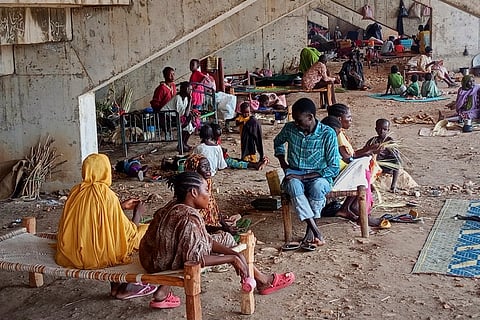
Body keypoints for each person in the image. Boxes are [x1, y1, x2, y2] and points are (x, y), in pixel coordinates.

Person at [139, 172, 295, 309]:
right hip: (160, 264)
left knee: (224, 241)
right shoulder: (189, 218)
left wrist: (235, 255)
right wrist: (232, 257)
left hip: (150, 258)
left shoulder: (173, 206)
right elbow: (193, 260)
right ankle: (263, 281)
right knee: (226, 239)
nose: (209, 194)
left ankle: (162, 292)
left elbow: (202, 239)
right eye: (206, 190)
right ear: (193, 192)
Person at [55, 153, 156, 300]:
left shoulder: (75, 192)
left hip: (73, 252)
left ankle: (116, 286)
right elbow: (126, 233)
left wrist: (119, 207)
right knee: (147, 230)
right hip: (99, 255)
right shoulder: (107, 195)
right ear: (106, 171)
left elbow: (88, 219)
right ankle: (127, 287)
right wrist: (137, 214)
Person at [274, 98, 340, 250]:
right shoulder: (290, 128)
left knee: (318, 187)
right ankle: (316, 231)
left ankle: (311, 232)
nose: (296, 123)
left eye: (299, 120)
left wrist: (303, 176)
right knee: (293, 185)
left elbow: (333, 168)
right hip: (294, 172)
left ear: (310, 117)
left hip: (320, 176)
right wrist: (283, 163)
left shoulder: (327, 134)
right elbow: (277, 142)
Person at [327, 104, 382, 226]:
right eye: (349, 117)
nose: (351, 120)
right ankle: (359, 210)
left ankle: (347, 208)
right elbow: (348, 157)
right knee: (362, 166)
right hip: (334, 176)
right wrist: (368, 150)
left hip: (336, 171)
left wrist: (367, 151)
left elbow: (349, 155)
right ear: (340, 119)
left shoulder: (336, 131)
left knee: (363, 163)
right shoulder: (334, 133)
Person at [184, 153, 238, 241]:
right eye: (204, 166)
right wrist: (222, 229)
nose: (208, 168)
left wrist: (225, 225)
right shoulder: (190, 193)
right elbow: (196, 226)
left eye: (208, 165)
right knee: (227, 239)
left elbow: (214, 210)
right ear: (194, 170)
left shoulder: (207, 183)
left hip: (209, 226)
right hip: (197, 233)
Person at [364, 119, 401, 192]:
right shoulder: (373, 141)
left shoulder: (390, 142)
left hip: (386, 167)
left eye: (385, 129)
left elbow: (396, 159)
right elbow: (365, 151)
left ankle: (393, 186)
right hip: (375, 165)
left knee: (396, 163)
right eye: (379, 129)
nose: (382, 131)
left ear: (388, 130)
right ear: (376, 129)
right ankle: (369, 183)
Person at [162, 81, 197, 152]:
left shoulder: (185, 98)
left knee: (191, 125)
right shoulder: (178, 98)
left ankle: (184, 143)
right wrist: (190, 100)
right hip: (166, 117)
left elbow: (187, 111)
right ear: (186, 90)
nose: (191, 91)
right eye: (190, 89)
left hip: (175, 116)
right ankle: (181, 144)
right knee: (186, 124)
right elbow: (185, 114)